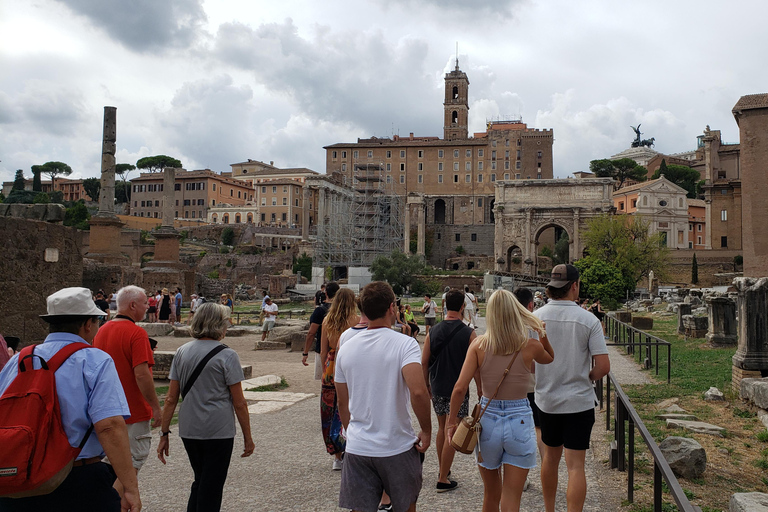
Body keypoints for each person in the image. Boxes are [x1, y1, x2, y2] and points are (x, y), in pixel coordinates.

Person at [0, 287, 140, 512]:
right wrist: (130, 487)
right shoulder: (95, 360)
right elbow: (109, 426)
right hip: (77, 477)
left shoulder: (19, 360)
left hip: (19, 476)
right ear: (87, 324)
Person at [447, 289, 554, 512]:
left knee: (490, 494)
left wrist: (451, 423)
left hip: (488, 420)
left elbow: (459, 388)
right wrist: (541, 332)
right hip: (520, 418)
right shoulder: (529, 345)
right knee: (512, 496)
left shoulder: (478, 346)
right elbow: (550, 358)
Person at [335, 281, 431, 512]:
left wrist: (351, 431)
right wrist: (427, 430)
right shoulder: (405, 344)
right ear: (392, 308)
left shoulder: (346, 345)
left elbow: (341, 399)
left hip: (359, 446)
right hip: (395, 444)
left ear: (363, 310)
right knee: (406, 505)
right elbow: (418, 391)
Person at [157, 302, 254, 512]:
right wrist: (247, 436)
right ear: (219, 325)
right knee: (212, 486)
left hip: (190, 428)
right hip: (218, 429)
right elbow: (239, 402)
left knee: (200, 480)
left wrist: (164, 433)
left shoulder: (182, 352)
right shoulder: (227, 355)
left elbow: (170, 398)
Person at [533, 264, 610, 512]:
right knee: (576, 465)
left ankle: (548, 509)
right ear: (575, 286)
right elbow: (604, 366)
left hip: (547, 400)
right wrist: (587, 376)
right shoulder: (588, 319)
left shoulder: (536, 319)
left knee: (550, 459)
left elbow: (529, 362)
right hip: (578, 401)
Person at [93, 285, 161, 499]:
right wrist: (156, 406)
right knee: (130, 468)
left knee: (110, 466)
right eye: (144, 303)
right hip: (133, 410)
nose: (147, 307)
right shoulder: (137, 333)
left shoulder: (101, 330)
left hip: (107, 409)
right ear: (132, 305)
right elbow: (142, 375)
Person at [422, 288, 477, 492]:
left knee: (443, 426)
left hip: (437, 385)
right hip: (458, 388)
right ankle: (443, 478)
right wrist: (480, 388)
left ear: (444, 306)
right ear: (463, 306)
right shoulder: (469, 333)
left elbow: (424, 361)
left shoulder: (433, 331)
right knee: (452, 431)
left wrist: (426, 383)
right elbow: (478, 366)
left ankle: (442, 469)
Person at [319, 288, 359, 470]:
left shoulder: (327, 320)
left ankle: (336, 455)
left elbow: (323, 350)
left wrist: (324, 369)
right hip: (350, 364)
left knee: (329, 409)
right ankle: (351, 448)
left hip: (331, 365)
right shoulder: (356, 321)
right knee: (350, 406)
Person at [513, 287, 547, 491]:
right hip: (533, 383)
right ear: (531, 304)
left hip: (512, 386)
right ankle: (546, 473)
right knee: (539, 429)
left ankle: (520, 478)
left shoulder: (506, 325)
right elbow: (538, 361)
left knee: (518, 430)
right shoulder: (536, 324)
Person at [301, 282, 339, 379]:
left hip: (323, 349)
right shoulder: (342, 310)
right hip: (340, 348)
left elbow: (311, 333)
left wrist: (305, 352)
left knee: (325, 380)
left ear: (326, 293)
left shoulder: (320, 311)